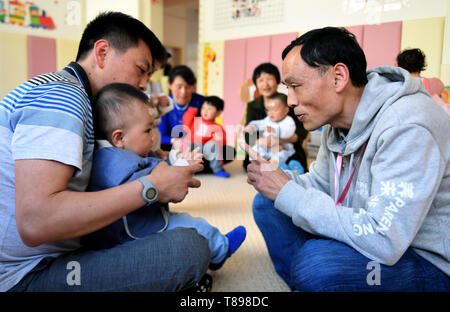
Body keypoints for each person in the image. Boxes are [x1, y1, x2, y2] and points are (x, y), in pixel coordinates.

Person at [0, 11, 212, 292]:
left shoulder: (75, 97)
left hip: (58, 252)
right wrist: (151, 186)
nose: (142, 84)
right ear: (101, 53)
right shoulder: (63, 97)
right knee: (187, 248)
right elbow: (36, 222)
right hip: (23, 275)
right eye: (141, 69)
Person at [243, 27, 450, 291]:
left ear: (338, 77)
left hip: (424, 257)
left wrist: (289, 192)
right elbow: (322, 183)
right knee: (267, 203)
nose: (290, 100)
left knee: (317, 265)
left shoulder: (408, 124)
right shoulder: (337, 121)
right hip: (375, 232)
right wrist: (277, 180)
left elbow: (385, 239)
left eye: (295, 86)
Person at [83, 83, 246, 270]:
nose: (153, 136)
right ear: (119, 138)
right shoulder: (119, 163)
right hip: (140, 229)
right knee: (195, 226)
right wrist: (183, 166)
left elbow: (156, 162)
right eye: (147, 130)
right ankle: (220, 251)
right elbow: (153, 183)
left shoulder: (109, 154)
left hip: (143, 222)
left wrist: (175, 158)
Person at [244, 62, 308, 172]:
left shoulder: (288, 102)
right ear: (256, 84)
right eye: (260, 80)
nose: (265, 84)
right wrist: (265, 143)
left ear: (277, 81)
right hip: (263, 145)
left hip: (287, 146)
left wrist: (279, 141)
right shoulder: (252, 105)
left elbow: (301, 130)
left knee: (295, 161)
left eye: (269, 79)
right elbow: (249, 133)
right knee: (249, 162)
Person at [244, 93, 303, 173]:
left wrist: (275, 132)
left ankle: (278, 169)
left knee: (278, 157)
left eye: (275, 110)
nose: (270, 113)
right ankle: (257, 168)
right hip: (267, 147)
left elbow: (289, 132)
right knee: (255, 150)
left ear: (286, 110)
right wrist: (252, 126)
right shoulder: (268, 120)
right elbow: (259, 123)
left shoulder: (288, 121)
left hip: (282, 148)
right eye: (268, 110)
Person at [158, 65, 204, 152]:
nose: (183, 92)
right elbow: (161, 137)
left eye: (188, 87)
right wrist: (174, 140)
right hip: (172, 146)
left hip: (195, 145)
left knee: (227, 151)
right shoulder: (164, 104)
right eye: (179, 87)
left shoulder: (201, 102)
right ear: (170, 85)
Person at [183, 95, 231, 178]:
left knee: (216, 146)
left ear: (218, 112)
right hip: (193, 144)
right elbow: (186, 124)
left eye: (210, 109)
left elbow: (223, 141)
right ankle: (186, 168)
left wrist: (219, 139)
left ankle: (217, 169)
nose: (205, 111)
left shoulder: (217, 127)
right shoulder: (197, 120)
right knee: (184, 146)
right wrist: (191, 112)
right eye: (203, 108)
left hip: (206, 148)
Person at [396, 48, 449, 115]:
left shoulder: (398, 84)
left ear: (400, 66)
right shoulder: (431, 83)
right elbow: (441, 86)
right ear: (422, 64)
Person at [145, 71, 174, 160]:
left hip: (155, 130)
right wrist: (147, 100)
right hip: (146, 128)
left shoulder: (155, 84)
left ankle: (156, 152)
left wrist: (165, 102)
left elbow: (163, 107)